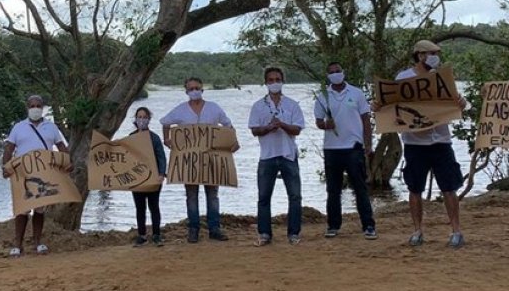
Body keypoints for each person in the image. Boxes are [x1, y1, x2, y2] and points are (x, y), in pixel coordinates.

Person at [385, 40, 466, 248]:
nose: (435, 57)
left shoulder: (442, 78)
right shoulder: (403, 79)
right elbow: (393, 106)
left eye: (437, 53)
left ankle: (456, 230)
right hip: (414, 143)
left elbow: (455, 103)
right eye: (431, 53)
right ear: (420, 55)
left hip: (441, 141)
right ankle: (417, 230)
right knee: (415, 188)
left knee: (449, 187)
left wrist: (461, 104)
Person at [161, 77, 238, 243]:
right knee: (191, 196)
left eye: (197, 88)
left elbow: (228, 126)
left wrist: (233, 142)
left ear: (202, 89)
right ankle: (193, 229)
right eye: (191, 88)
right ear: (186, 91)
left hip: (211, 160)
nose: (194, 91)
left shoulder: (214, 108)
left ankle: (214, 228)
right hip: (189, 162)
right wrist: (167, 140)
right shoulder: (180, 110)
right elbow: (165, 123)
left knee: (213, 195)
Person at [314, 62, 376, 240]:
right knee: (333, 190)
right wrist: (326, 125)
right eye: (331, 72)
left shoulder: (356, 93)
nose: (335, 74)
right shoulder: (322, 96)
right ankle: (333, 225)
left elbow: (365, 119)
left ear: (343, 72)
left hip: (353, 148)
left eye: (338, 71)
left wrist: (368, 144)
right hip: (332, 149)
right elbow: (318, 122)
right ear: (328, 75)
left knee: (360, 188)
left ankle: (369, 225)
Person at [2, 95, 70, 257]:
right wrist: (5, 166)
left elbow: (61, 147)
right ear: (27, 108)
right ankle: (18, 244)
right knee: (22, 209)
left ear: (43, 107)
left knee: (40, 209)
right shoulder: (18, 127)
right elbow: (9, 149)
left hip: (43, 174)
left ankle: (38, 242)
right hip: (22, 174)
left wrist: (67, 162)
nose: (35, 108)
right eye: (32, 105)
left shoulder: (51, 127)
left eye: (38, 105)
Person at [249, 66, 306, 245]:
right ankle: (265, 233)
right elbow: (254, 130)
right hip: (267, 155)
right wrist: (268, 128)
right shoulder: (258, 106)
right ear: (266, 82)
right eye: (271, 80)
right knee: (264, 196)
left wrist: (282, 125)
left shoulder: (292, 104)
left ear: (283, 81)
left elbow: (297, 129)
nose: (274, 83)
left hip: (288, 155)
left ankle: (294, 233)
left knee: (295, 196)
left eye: (278, 79)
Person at [129, 106, 167, 247]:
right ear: (136, 119)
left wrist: (162, 174)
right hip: (137, 180)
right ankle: (142, 235)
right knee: (140, 208)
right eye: (139, 117)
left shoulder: (154, 138)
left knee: (154, 207)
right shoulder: (131, 137)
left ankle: (156, 235)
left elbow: (161, 157)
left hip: (153, 179)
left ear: (149, 119)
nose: (142, 120)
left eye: (145, 117)